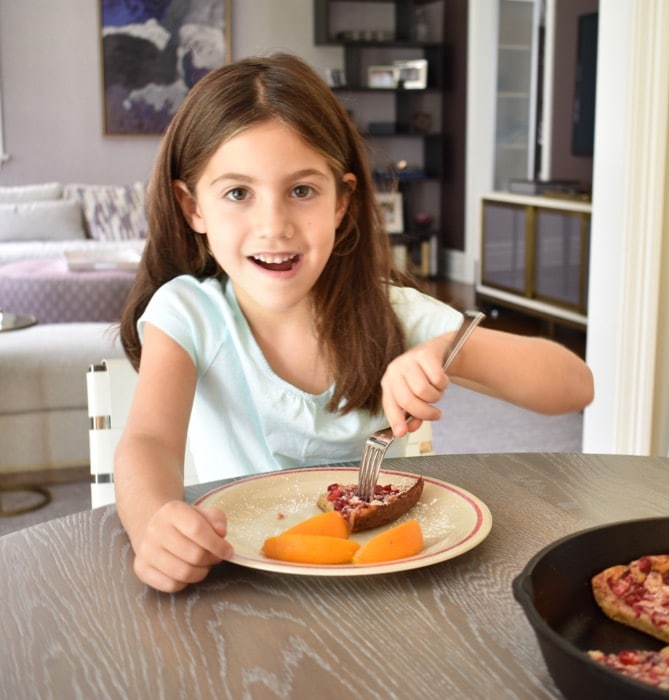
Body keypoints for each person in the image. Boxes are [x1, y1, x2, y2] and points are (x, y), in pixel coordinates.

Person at [115, 52, 594, 593]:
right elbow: (149, 442)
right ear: (191, 207)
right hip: (240, 583)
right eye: (237, 193)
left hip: (386, 587)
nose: (274, 225)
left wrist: (450, 352)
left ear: (342, 202)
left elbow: (574, 385)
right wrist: (153, 522)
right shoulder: (189, 313)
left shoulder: (391, 313)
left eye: (302, 191)